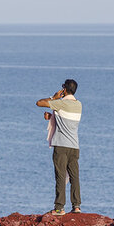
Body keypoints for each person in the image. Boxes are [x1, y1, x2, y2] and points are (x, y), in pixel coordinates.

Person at [36, 79, 82, 214]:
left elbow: (39, 103)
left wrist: (53, 97)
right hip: (74, 146)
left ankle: (59, 207)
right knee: (75, 177)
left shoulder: (60, 103)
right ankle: (77, 206)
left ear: (65, 89)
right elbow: (66, 119)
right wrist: (52, 116)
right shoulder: (79, 105)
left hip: (61, 145)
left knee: (60, 176)